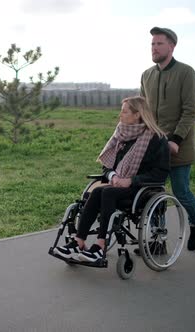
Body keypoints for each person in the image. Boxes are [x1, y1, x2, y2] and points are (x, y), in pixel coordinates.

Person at [53, 96, 170, 262]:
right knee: (98, 192)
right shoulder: (121, 134)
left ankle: (100, 247)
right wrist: (113, 176)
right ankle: (78, 242)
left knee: (105, 192)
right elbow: (107, 166)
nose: (120, 115)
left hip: (142, 188)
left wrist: (131, 181)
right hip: (117, 184)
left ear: (137, 115)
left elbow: (161, 173)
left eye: (124, 111)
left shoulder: (157, 139)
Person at [140, 27, 195, 251]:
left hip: (179, 146)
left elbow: (190, 111)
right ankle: (159, 241)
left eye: (159, 44)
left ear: (171, 46)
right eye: (152, 44)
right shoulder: (146, 75)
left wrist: (175, 139)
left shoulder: (186, 72)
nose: (154, 48)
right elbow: (143, 111)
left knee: (181, 191)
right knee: (154, 193)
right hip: (154, 147)